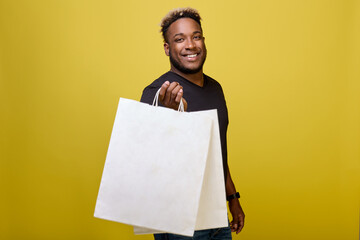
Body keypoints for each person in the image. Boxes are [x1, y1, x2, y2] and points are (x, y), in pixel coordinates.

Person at [140, 7, 245, 240]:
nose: (190, 45)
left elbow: (218, 153)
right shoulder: (158, 93)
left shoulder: (215, 88)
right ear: (167, 48)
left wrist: (233, 199)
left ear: (203, 41)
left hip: (216, 216)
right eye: (179, 39)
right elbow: (146, 163)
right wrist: (169, 120)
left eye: (195, 36)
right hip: (178, 222)